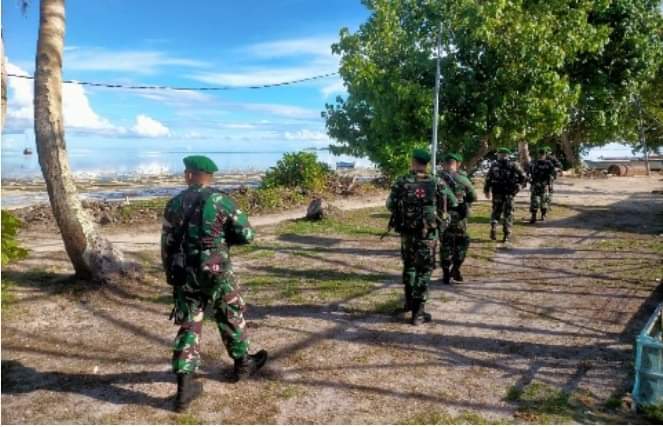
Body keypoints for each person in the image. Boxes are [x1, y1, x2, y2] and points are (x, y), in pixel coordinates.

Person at [161, 155, 267, 412]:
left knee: (188, 324)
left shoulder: (174, 204)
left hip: (186, 274)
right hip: (217, 271)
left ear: (189, 175)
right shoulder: (221, 201)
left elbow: (167, 243)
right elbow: (247, 234)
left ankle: (184, 389)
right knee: (230, 313)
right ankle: (243, 365)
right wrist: (223, 239)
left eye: (185, 172)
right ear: (210, 176)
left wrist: (171, 275)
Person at [386, 149, 457, 325]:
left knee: (409, 267)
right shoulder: (436, 181)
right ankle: (418, 313)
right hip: (428, 234)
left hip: (407, 233)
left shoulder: (402, 181)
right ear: (425, 164)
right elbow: (453, 202)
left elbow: (389, 204)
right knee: (424, 270)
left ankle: (409, 303)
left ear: (413, 161)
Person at [438, 152, 477, 284]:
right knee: (462, 242)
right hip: (459, 218)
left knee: (445, 244)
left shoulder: (435, 178)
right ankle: (456, 267)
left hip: (441, 217)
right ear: (458, 164)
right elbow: (473, 197)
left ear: (443, 164)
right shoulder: (462, 179)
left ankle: (445, 272)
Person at [483, 147, 526, 242]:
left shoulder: (494, 165)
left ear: (498, 154)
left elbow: (488, 179)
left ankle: (494, 227)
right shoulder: (514, 165)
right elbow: (523, 176)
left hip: (497, 192)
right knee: (508, 213)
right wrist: (519, 186)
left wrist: (486, 190)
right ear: (508, 155)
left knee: (496, 211)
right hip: (509, 193)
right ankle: (506, 234)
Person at [527, 148, 557, 223]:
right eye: (541, 154)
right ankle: (533, 216)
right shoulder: (534, 162)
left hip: (544, 185)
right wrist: (529, 180)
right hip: (535, 184)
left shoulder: (549, 163)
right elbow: (528, 172)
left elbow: (552, 173)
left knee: (544, 201)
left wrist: (550, 183)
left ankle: (543, 215)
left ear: (545, 155)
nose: (541, 156)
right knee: (534, 201)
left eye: (542, 154)